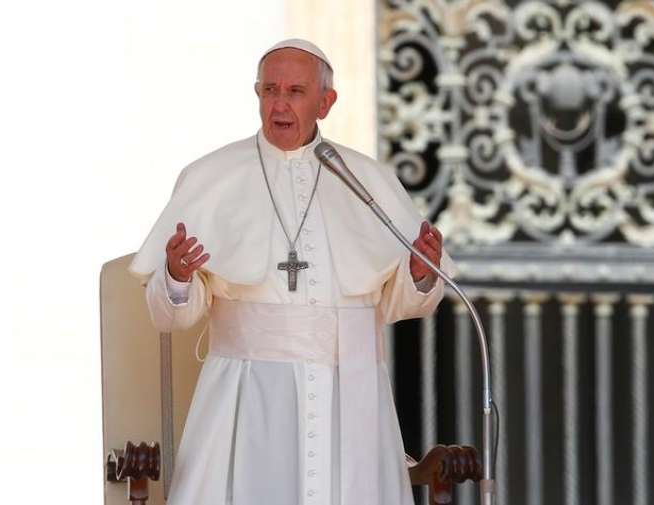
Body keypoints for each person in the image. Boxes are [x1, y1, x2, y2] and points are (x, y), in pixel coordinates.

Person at [130, 38, 456, 505]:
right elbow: (171, 317)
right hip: (248, 398)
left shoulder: (366, 178)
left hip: (353, 394)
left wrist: (420, 274)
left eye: (296, 91)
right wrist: (177, 277)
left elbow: (400, 303)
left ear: (326, 102)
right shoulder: (211, 177)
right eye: (269, 90)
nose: (279, 103)